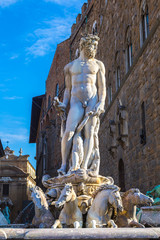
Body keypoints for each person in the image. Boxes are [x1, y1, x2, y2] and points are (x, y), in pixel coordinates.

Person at [56, 34, 106, 175]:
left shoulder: (98, 65)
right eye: (92, 46)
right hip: (75, 100)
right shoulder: (70, 67)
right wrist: (64, 105)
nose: (94, 49)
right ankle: (64, 165)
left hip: (92, 99)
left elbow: (102, 88)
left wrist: (101, 102)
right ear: (83, 46)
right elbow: (68, 90)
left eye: (95, 47)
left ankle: (83, 167)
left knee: (89, 132)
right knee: (69, 131)